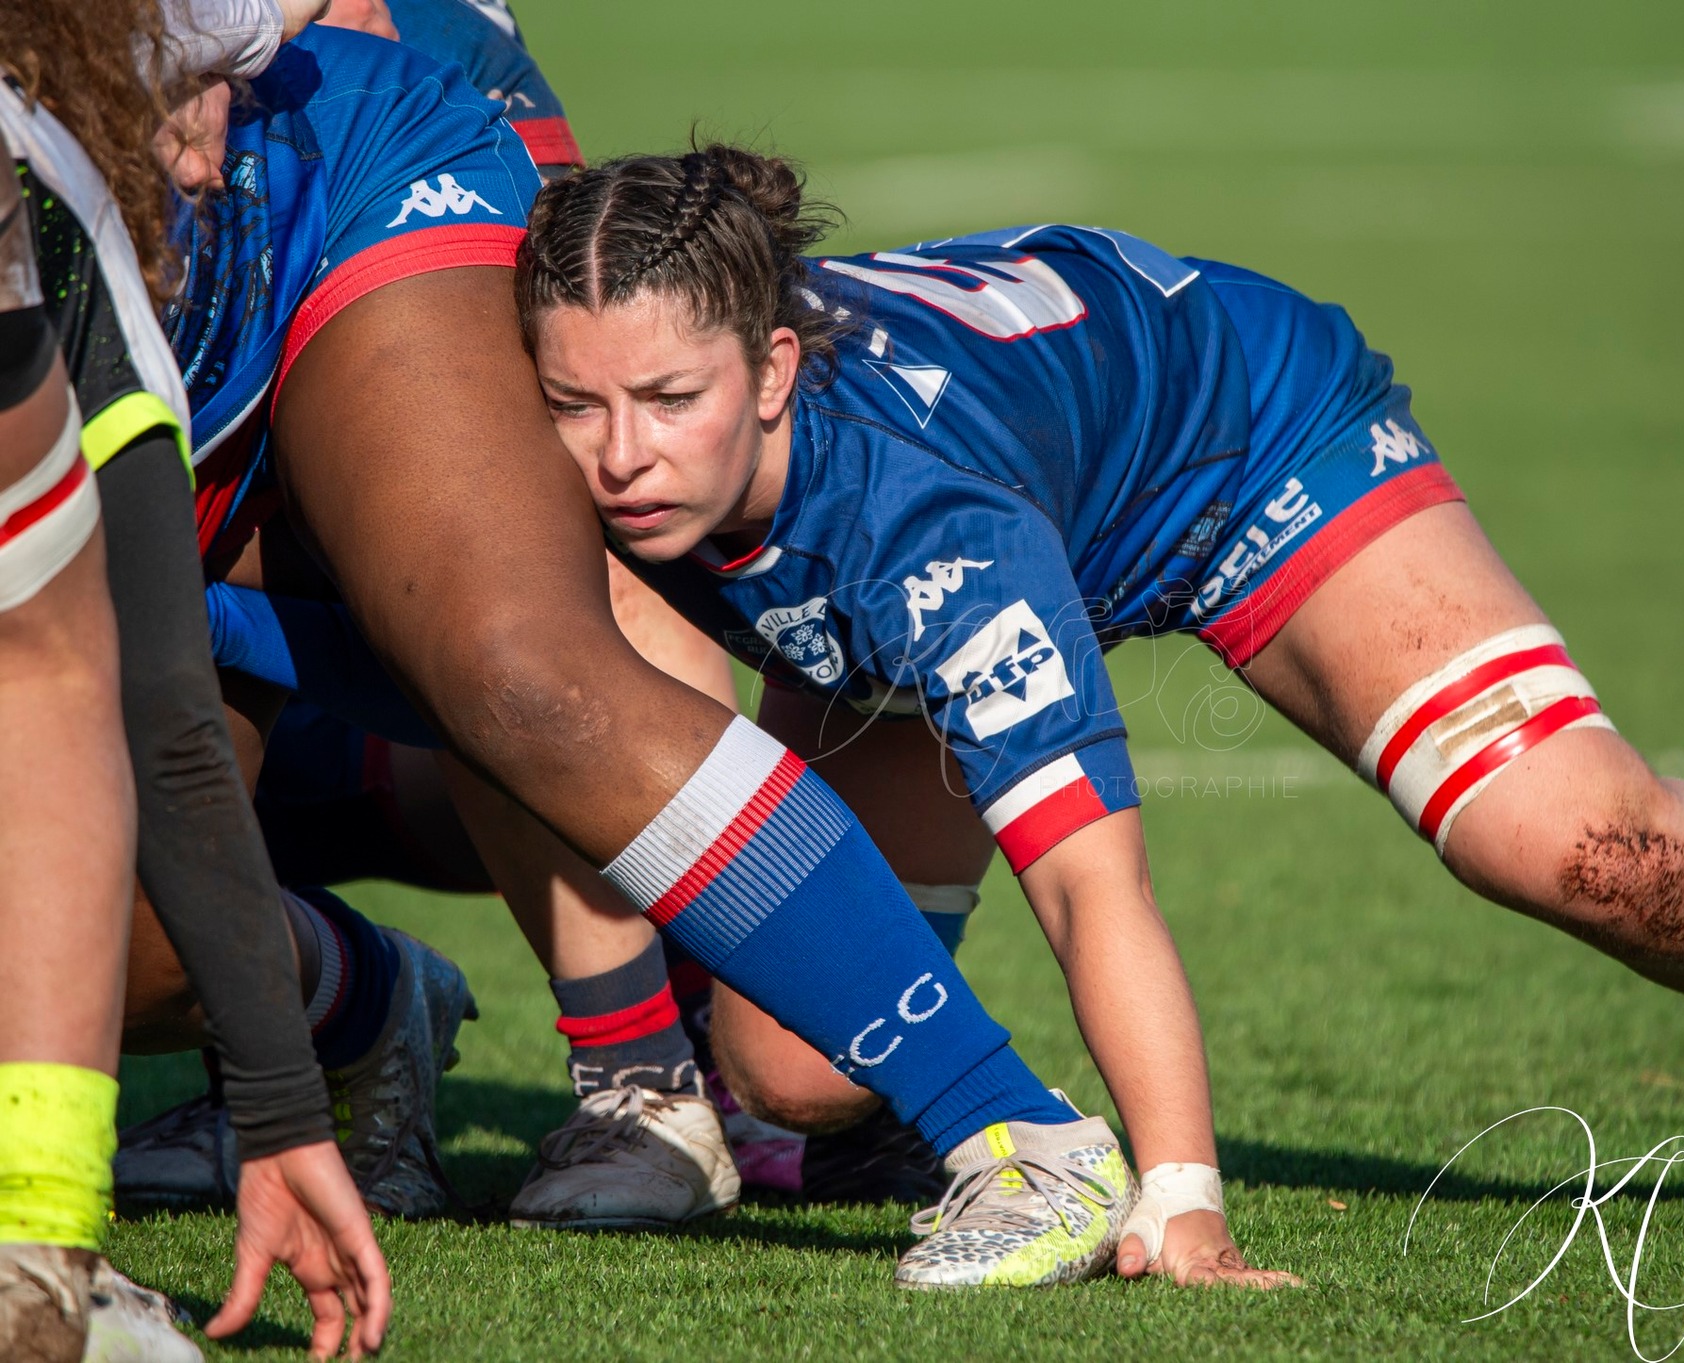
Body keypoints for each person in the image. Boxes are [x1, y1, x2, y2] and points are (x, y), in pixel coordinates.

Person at [510, 144, 1684, 1284]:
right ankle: (923, 1131)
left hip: (1241, 448)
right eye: (576, 402)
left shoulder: (923, 518)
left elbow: (1090, 882)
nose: (621, 454)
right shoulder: (655, 451)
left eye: (668, 396)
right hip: (936, 551)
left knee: (1573, 844)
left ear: (772, 369)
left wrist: (1182, 1194)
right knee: (793, 1068)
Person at [100, 22, 1135, 1289]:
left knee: (513, 658)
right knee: (111, 932)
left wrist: (186, 48)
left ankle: (993, 1126)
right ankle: (364, 1011)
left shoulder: (216, 112)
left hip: (324, 173)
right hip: (82, 276)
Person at [0, 1, 390, 1357]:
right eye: (216, 86)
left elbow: (159, 711)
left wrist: (279, 1105)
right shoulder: (51, 201)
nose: (226, 155)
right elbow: (146, 712)